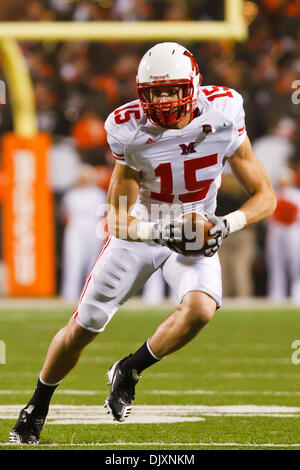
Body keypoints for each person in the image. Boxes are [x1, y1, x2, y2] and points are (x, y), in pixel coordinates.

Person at [9, 42, 276, 444]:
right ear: (141, 92)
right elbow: (117, 218)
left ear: (194, 86)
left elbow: (265, 196)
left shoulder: (224, 112)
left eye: (172, 90)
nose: (163, 99)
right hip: (144, 230)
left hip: (198, 227)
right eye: (154, 91)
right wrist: (163, 232)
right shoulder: (128, 128)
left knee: (201, 309)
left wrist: (226, 223)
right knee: (84, 327)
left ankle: (129, 369)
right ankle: (37, 404)